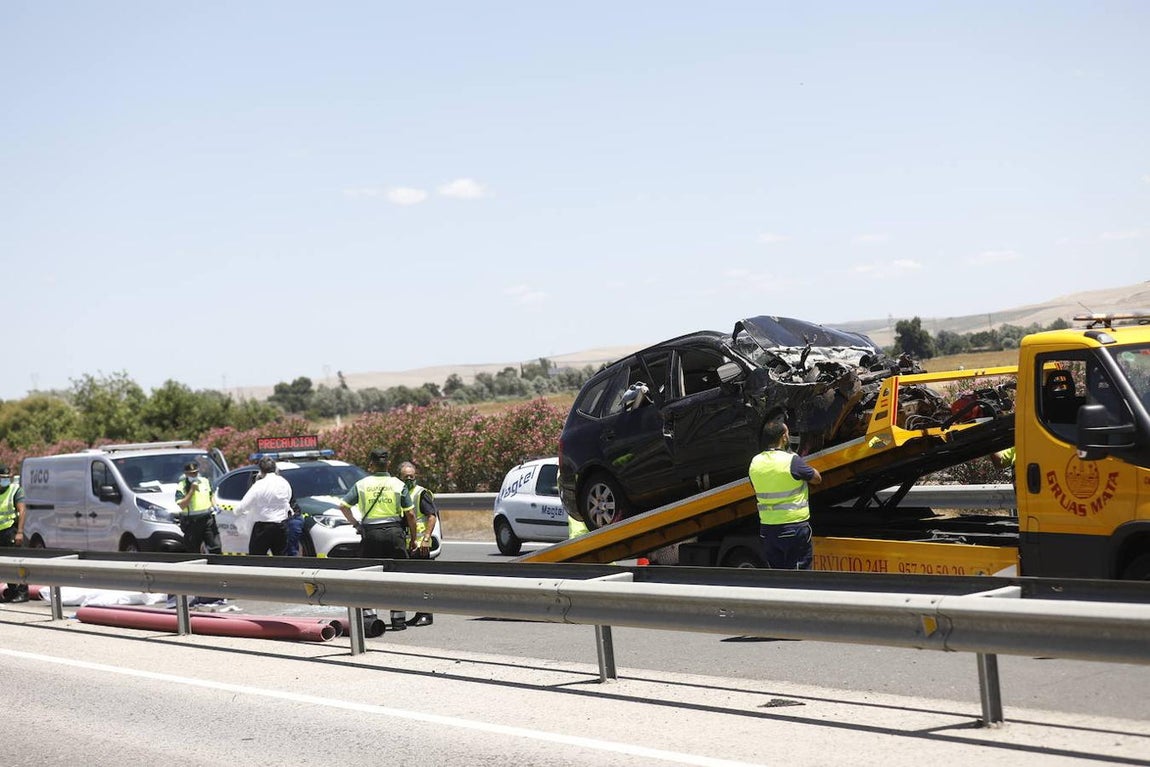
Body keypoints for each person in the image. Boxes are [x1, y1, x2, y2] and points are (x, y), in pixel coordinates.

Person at [340, 448, 417, 630]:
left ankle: (370, 619)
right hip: (394, 533)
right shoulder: (398, 484)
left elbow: (343, 506)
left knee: (368, 577)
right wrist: (414, 538)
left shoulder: (362, 484)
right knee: (397, 577)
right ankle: (398, 620)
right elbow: (410, 514)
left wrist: (356, 524)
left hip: (371, 534)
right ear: (388, 463)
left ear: (371, 464)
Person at [748, 420, 822, 570]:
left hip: (768, 530)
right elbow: (817, 479)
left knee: (777, 575)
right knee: (799, 575)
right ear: (783, 437)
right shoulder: (791, 461)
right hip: (793, 527)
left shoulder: (755, 462)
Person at [398, 461, 438, 627]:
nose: (409, 479)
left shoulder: (420, 493)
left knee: (423, 581)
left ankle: (426, 614)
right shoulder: (400, 493)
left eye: (411, 476)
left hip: (421, 544)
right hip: (408, 544)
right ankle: (418, 613)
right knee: (412, 582)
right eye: (405, 477)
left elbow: (432, 516)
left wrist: (426, 538)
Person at [234, 457, 293, 555]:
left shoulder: (259, 485)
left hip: (263, 528)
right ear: (275, 468)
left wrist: (237, 511)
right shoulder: (284, 483)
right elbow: (288, 499)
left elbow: (243, 505)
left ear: (261, 471)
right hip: (281, 526)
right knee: (281, 558)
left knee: (257, 559)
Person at [174, 461, 222, 555]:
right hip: (192, 522)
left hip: (207, 519)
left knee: (215, 547)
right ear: (186, 474)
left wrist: (215, 505)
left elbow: (210, 495)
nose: (194, 475)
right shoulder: (182, 486)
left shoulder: (205, 481)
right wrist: (191, 490)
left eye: (195, 472)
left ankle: (216, 563)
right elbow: (182, 505)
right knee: (193, 550)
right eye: (191, 473)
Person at [0, 465, 29, 603]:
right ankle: (12, 591)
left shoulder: (15, 490)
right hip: (0, 532)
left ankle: (23, 592)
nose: (5, 480)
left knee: (18, 562)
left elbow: (22, 511)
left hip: (11, 531)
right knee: (4, 564)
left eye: (7, 478)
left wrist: (20, 532)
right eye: (2, 478)